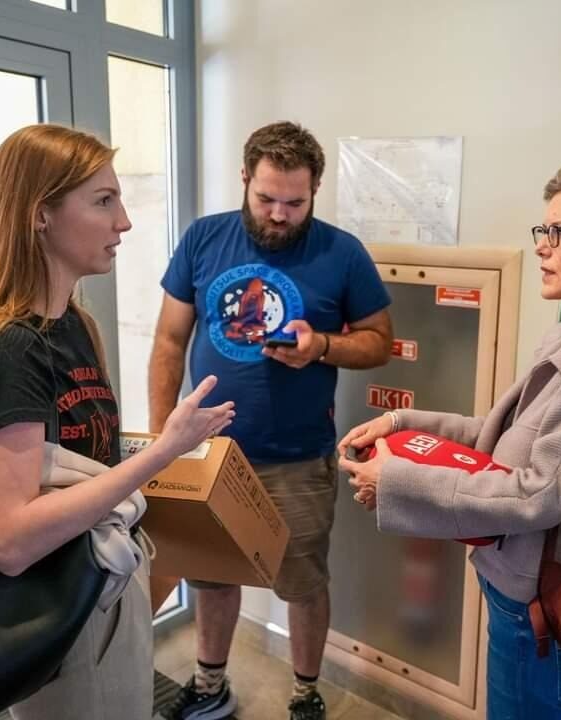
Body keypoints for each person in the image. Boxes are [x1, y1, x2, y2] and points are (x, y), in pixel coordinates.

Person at [0, 124, 235, 719]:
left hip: (94, 596)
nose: (124, 222)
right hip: (52, 615)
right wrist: (163, 452)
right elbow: (9, 539)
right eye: (104, 201)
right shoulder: (8, 348)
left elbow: (78, 464)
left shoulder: (75, 326)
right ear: (40, 215)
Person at [339, 157, 561, 720]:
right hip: (518, 592)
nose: (542, 246)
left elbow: (536, 493)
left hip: (548, 610)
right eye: (543, 231)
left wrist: (396, 480)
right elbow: (496, 439)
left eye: (559, 232)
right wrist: (402, 426)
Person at [149, 121, 393, 720]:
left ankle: (306, 694)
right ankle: (211, 686)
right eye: (266, 199)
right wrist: (163, 439)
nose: (280, 214)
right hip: (206, 453)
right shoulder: (204, 239)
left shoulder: (342, 252)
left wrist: (323, 347)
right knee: (210, 576)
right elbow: (168, 339)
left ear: (315, 192)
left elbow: (380, 342)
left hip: (297, 457)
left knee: (304, 584)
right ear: (244, 180)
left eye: (295, 202)